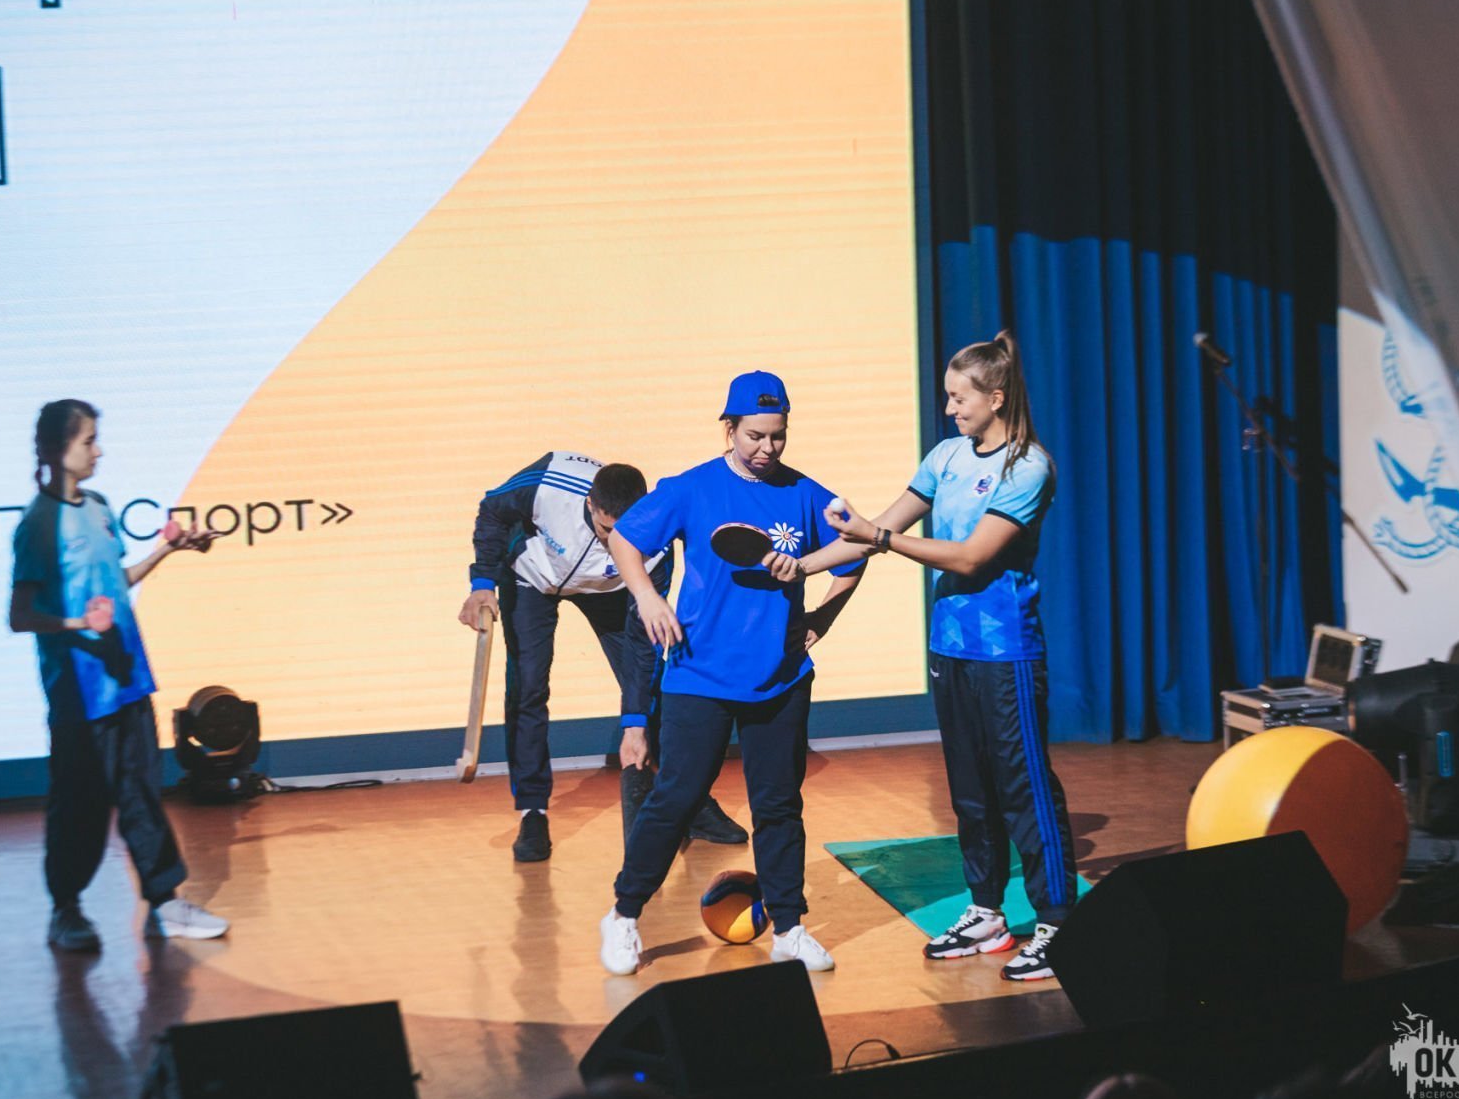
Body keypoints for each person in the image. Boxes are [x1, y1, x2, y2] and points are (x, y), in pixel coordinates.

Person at [810, 331, 1078, 980]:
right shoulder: (947, 456)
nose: (950, 408)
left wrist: (879, 536)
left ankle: (1059, 922)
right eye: (948, 397)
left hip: (1006, 651)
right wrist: (799, 567)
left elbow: (969, 557)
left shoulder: (1028, 467)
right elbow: (876, 529)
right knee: (971, 791)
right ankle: (986, 910)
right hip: (950, 647)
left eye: (960, 397)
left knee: (1023, 787)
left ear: (996, 396)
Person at [597, 371, 867, 975]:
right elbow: (625, 542)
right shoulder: (691, 488)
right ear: (729, 429)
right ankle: (623, 915)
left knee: (779, 806)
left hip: (782, 678)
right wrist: (647, 598)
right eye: (754, 436)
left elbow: (859, 546)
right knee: (677, 798)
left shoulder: (804, 492)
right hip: (699, 675)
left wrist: (822, 616)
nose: (767, 448)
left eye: (778, 436)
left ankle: (790, 929)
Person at [9, 399, 230, 953]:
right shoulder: (39, 525)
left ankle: (164, 905)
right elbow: (20, 615)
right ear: (57, 450)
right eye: (88, 441)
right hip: (80, 696)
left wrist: (169, 548)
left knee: (142, 796)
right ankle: (66, 911)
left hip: (129, 679)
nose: (99, 450)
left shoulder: (100, 507)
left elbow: (117, 578)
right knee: (80, 807)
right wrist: (78, 623)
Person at [459, 452, 747, 862]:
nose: (615, 543)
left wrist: (634, 724)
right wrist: (483, 582)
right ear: (591, 505)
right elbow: (492, 509)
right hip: (531, 577)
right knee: (527, 687)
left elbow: (644, 644)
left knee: (654, 687)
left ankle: (691, 802)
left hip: (610, 590)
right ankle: (533, 812)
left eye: (624, 532)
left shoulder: (655, 542)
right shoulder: (549, 485)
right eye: (606, 530)